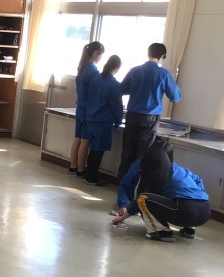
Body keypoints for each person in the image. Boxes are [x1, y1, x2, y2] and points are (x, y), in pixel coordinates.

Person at [112, 145, 210, 242]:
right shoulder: (182, 170)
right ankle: (189, 229)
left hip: (184, 211)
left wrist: (122, 217)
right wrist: (196, 196)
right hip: (205, 211)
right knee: (184, 198)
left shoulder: (158, 175)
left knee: (143, 198)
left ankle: (161, 232)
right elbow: (199, 181)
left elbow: (141, 200)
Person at [117, 43, 181, 178]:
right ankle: (136, 184)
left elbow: (121, 89)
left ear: (148, 53)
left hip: (132, 115)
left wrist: (137, 89)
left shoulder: (134, 71)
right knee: (142, 154)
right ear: (163, 56)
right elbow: (175, 97)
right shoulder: (163, 74)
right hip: (150, 118)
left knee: (127, 151)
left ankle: (122, 182)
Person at [84, 54, 123, 186]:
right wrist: (118, 120)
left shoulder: (96, 80)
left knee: (93, 149)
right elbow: (117, 106)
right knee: (98, 151)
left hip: (91, 119)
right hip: (103, 121)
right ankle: (92, 178)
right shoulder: (114, 85)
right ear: (117, 68)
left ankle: (89, 175)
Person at [69, 41, 105, 178]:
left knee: (77, 137)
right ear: (96, 53)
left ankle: (73, 166)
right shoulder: (93, 71)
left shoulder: (82, 67)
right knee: (85, 140)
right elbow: (96, 93)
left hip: (80, 107)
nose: (101, 58)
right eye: (101, 55)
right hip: (88, 110)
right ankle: (81, 169)